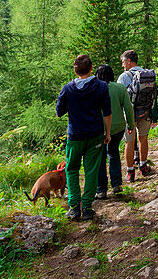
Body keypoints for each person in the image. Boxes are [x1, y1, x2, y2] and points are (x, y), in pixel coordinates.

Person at [55, 54, 111, 221]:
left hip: (75, 136)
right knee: (91, 170)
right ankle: (87, 208)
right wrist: (107, 133)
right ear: (91, 68)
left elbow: (59, 112)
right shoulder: (101, 86)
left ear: (75, 70)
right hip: (95, 135)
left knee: (71, 169)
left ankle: (73, 208)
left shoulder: (67, 89)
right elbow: (107, 113)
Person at [118, 49, 158, 181]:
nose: (122, 65)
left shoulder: (124, 76)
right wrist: (154, 115)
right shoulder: (147, 74)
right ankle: (143, 165)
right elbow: (154, 96)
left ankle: (130, 171)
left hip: (129, 115)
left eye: (123, 62)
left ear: (129, 61)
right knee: (143, 139)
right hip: (145, 112)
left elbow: (119, 97)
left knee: (129, 143)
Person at [94, 63, 133, 199]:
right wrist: (131, 125)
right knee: (114, 153)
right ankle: (116, 185)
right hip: (118, 128)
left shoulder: (95, 89)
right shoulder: (120, 88)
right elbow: (128, 108)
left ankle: (101, 190)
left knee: (100, 158)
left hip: (99, 129)